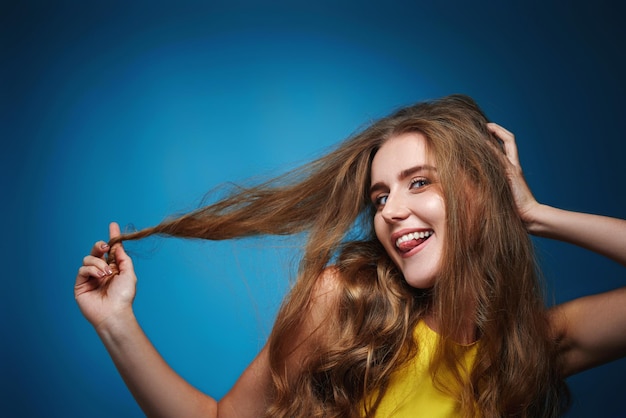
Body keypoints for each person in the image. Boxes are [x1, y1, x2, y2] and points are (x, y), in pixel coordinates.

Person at [75, 95, 626, 417]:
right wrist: (115, 322)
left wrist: (534, 215)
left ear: (482, 194)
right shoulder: (343, 301)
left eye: (418, 183)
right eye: (380, 195)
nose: (389, 210)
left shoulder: (532, 348)